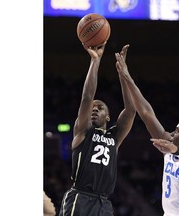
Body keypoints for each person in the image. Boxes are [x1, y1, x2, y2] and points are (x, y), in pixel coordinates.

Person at [115, 45, 179, 216]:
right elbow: (146, 113)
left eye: (177, 132)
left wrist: (176, 150)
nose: (171, 134)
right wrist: (125, 76)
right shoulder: (169, 147)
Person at [58, 43, 136, 216]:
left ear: (108, 117)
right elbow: (87, 97)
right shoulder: (83, 131)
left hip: (104, 203)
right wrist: (95, 61)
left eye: (99, 108)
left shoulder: (114, 137)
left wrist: (123, 74)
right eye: (93, 108)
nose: (94, 109)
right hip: (80, 197)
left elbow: (131, 109)